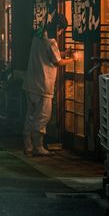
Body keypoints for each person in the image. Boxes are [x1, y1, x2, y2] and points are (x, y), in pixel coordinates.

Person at [22, 12, 80, 156]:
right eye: (61, 30)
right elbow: (57, 61)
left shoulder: (39, 35)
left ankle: (27, 147)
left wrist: (64, 52)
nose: (60, 33)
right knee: (42, 116)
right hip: (43, 85)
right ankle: (38, 147)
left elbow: (49, 54)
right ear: (58, 27)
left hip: (31, 83)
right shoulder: (51, 41)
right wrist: (73, 58)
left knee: (30, 116)